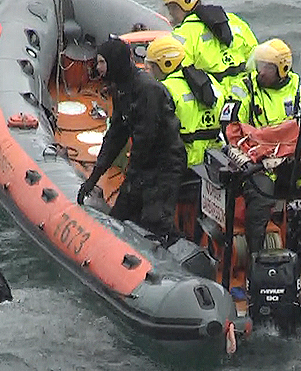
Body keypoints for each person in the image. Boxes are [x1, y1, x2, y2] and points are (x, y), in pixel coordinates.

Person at [227, 39, 301, 274]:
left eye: (267, 67)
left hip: (297, 160)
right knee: (260, 201)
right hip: (262, 163)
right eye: (260, 65)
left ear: (282, 70)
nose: (260, 71)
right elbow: (232, 128)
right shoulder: (245, 88)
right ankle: (258, 261)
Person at [77, 37, 187, 245]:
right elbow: (115, 136)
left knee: (154, 225)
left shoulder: (147, 90)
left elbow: (146, 137)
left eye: (101, 62)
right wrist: (94, 177)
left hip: (164, 166)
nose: (97, 67)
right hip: (144, 166)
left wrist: (133, 179)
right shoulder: (121, 88)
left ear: (114, 62)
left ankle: (173, 244)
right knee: (119, 216)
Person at [144, 35, 225, 168]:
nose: (148, 70)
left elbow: (151, 131)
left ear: (165, 64)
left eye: (152, 65)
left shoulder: (164, 89)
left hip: (181, 163)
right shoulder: (210, 81)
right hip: (212, 162)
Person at [163, 0, 258, 95]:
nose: (170, 13)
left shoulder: (183, 34)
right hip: (248, 97)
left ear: (185, 5)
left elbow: (174, 75)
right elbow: (256, 58)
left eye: (172, 8)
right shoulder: (235, 21)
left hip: (214, 103)